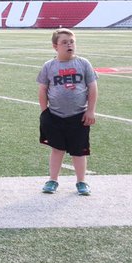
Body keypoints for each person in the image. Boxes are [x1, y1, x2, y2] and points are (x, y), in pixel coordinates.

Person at [38, 29, 98, 195]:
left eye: (71, 41)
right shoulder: (49, 66)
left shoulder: (83, 63)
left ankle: (81, 181)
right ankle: (52, 179)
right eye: (64, 42)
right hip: (55, 116)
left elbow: (92, 88)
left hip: (79, 116)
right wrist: (45, 113)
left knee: (79, 151)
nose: (69, 45)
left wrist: (91, 111)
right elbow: (43, 89)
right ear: (55, 46)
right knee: (57, 149)